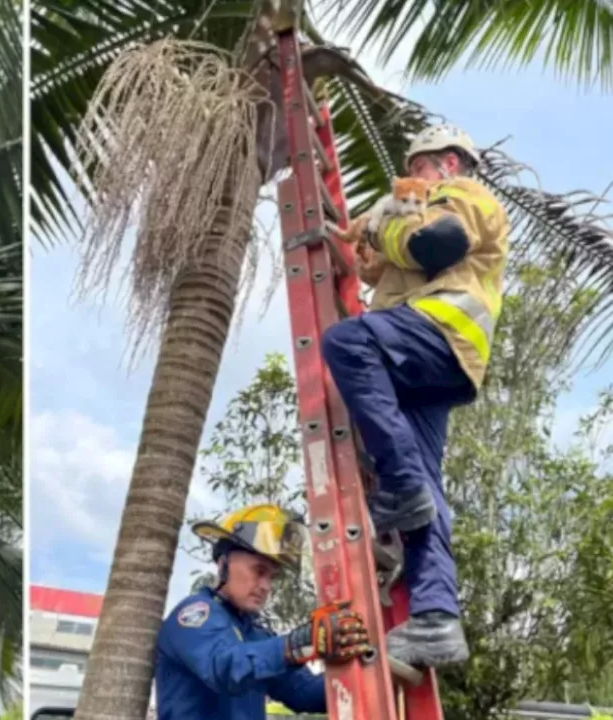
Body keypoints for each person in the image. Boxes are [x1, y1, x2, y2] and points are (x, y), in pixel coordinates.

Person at [323, 123, 509, 667]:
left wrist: (385, 224)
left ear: (449, 163)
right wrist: (356, 237)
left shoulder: (464, 195)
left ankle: (400, 486)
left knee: (346, 342)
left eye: (420, 166)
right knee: (427, 485)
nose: (412, 178)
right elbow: (381, 264)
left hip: (437, 335)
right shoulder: (424, 205)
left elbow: (434, 245)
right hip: (428, 363)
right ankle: (436, 619)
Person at [155, 504, 373, 720]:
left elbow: (304, 693)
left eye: (272, 576)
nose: (266, 586)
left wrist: (370, 669)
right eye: (259, 571)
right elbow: (225, 668)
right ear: (223, 564)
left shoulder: (257, 635)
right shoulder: (194, 615)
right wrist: (301, 643)